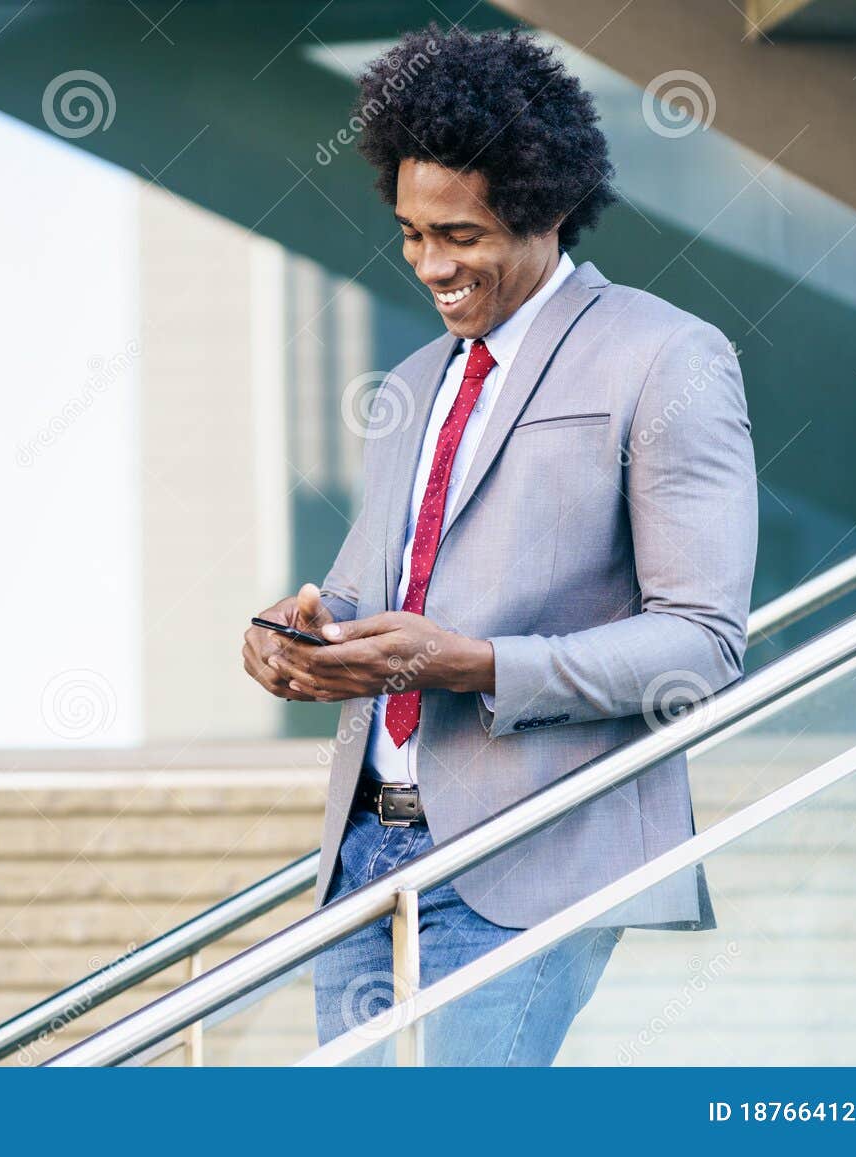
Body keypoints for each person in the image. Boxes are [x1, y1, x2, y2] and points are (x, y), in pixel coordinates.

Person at [241, 25, 757, 1066]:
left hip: (535, 850)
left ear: (548, 208)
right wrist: (293, 636)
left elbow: (701, 644)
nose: (431, 264)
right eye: (411, 233)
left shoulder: (666, 358)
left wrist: (477, 665)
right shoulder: (411, 386)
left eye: (461, 235)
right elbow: (357, 590)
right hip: (360, 853)